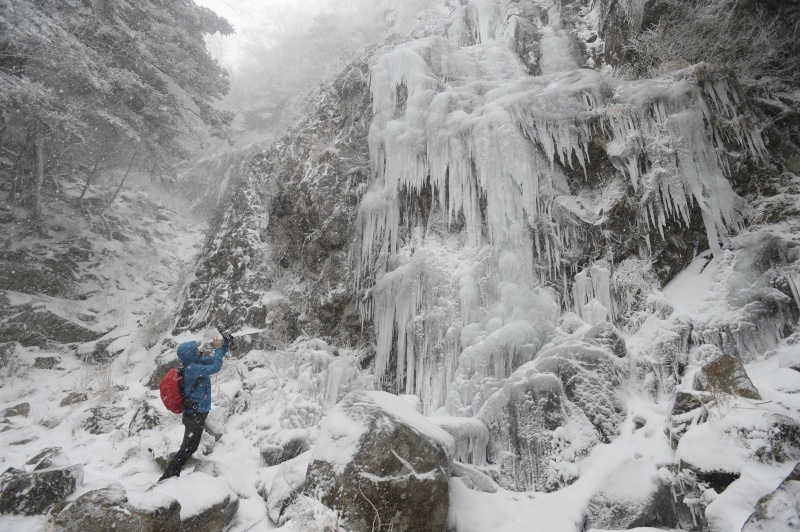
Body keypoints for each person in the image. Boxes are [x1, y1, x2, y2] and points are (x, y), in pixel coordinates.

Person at [159, 335, 228, 481]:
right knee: (188, 447)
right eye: (196, 349)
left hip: (197, 412)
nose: (199, 350)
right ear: (190, 354)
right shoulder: (192, 369)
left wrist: (224, 345)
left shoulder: (195, 363)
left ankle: (171, 475)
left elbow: (215, 360)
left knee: (190, 447)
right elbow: (216, 367)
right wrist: (216, 348)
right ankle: (168, 477)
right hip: (194, 414)